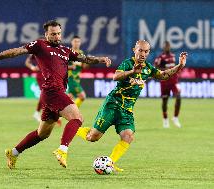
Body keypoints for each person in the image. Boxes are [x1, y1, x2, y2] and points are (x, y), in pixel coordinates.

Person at [0, 20, 111, 169]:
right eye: (53, 34)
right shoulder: (40, 45)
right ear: (46, 34)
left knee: (42, 134)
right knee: (77, 118)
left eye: (58, 33)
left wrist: (101, 59)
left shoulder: (65, 50)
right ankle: (62, 150)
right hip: (52, 91)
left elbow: (85, 59)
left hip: (54, 94)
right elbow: (15, 52)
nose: (57, 37)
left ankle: (13, 152)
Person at [76, 40, 187, 172]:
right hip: (113, 105)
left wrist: (179, 65)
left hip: (127, 110)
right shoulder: (127, 63)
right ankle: (74, 128)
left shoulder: (148, 68)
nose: (143, 54)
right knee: (92, 137)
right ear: (134, 50)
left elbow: (163, 75)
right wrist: (131, 72)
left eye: (146, 51)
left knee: (128, 136)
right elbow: (116, 76)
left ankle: (110, 163)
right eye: (140, 50)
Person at [25, 54, 62, 126]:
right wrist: (32, 67)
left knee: (48, 95)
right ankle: (50, 115)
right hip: (41, 76)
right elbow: (27, 62)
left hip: (50, 76)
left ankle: (41, 113)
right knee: (45, 94)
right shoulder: (37, 49)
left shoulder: (52, 50)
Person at [154, 41, 182, 128]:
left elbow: (175, 66)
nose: (167, 48)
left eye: (168, 46)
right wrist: (166, 69)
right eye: (166, 46)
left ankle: (175, 117)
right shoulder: (160, 57)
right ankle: (165, 120)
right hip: (165, 81)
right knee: (165, 101)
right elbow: (155, 68)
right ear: (163, 47)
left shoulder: (173, 56)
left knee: (178, 96)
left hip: (174, 80)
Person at [67, 36, 87, 107]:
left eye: (78, 41)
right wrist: (71, 67)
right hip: (71, 78)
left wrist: (87, 63)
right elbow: (62, 66)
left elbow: (84, 66)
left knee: (69, 98)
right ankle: (74, 112)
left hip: (77, 78)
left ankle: (59, 114)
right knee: (82, 96)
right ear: (71, 42)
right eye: (75, 41)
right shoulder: (68, 53)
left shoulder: (81, 53)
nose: (77, 43)